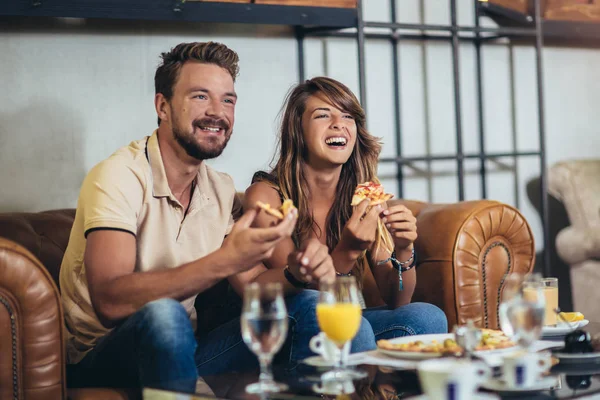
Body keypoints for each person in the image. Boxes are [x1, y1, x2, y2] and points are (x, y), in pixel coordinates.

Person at [59, 43, 376, 395]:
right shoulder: (118, 176)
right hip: (104, 355)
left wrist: (295, 274)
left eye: (228, 100)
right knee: (165, 316)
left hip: (190, 350)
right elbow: (109, 302)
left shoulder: (220, 189)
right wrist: (223, 260)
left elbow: (254, 287)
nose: (217, 112)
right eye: (200, 96)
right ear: (162, 106)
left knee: (309, 305)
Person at [245, 76, 448, 346]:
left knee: (428, 317)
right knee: (353, 326)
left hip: (341, 320)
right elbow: (304, 296)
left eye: (348, 116)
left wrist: (403, 249)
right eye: (322, 115)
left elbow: (398, 299)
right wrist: (347, 252)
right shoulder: (268, 197)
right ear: (298, 129)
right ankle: (371, 384)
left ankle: (381, 383)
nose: (338, 124)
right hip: (287, 329)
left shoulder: (366, 194)